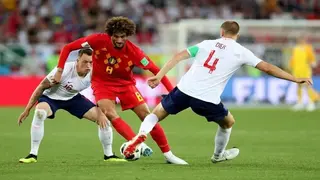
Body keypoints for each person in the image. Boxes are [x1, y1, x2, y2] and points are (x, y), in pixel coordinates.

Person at [123, 21, 313, 163]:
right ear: (236, 35)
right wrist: (295, 79)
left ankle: (140, 136)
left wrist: (159, 75)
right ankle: (217, 155)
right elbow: (268, 68)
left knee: (155, 114)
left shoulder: (206, 44)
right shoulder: (241, 51)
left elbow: (178, 57)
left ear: (221, 32)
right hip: (206, 98)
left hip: (184, 89)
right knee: (228, 122)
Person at [52, 16, 187, 164]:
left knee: (148, 116)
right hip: (102, 84)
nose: (119, 40)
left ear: (127, 36)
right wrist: (59, 70)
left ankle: (168, 154)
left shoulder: (135, 52)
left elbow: (156, 70)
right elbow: (68, 47)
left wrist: (173, 93)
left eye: (122, 37)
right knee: (109, 112)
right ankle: (137, 144)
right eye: (115, 36)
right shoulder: (97, 40)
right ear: (110, 34)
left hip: (126, 85)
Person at [18, 48, 126, 163]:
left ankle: (109, 156)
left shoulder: (94, 73)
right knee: (40, 113)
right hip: (51, 98)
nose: (88, 65)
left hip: (73, 98)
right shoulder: (63, 70)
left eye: (91, 62)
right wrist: (27, 110)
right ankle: (32, 155)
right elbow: (41, 87)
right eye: (85, 62)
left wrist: (102, 109)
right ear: (77, 60)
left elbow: (102, 91)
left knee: (103, 119)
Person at [289, 35, 319, 111]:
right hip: (296, 70)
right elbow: (293, 58)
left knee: (307, 85)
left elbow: (312, 58)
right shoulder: (295, 48)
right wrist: (291, 66)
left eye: (302, 39)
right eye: (300, 39)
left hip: (305, 70)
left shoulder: (308, 47)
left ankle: (311, 102)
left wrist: (313, 63)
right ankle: (300, 103)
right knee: (298, 86)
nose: (301, 41)